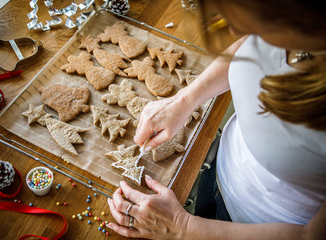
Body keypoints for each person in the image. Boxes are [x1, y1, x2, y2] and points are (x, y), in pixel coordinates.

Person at [106, 0, 326, 239]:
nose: (233, 30)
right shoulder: (292, 19)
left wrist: (182, 228)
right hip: (219, 171)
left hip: (261, 224)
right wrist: (185, 100)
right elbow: (248, 46)